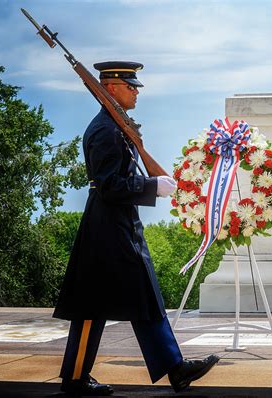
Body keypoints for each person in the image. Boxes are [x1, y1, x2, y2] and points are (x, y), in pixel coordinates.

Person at [53, 61, 219, 396]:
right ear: (110, 88)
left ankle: (175, 368)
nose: (136, 91)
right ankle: (75, 379)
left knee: (144, 296)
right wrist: (152, 186)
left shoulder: (116, 127)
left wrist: (149, 183)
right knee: (90, 303)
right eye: (130, 86)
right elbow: (110, 184)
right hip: (106, 228)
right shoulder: (105, 131)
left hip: (119, 223)